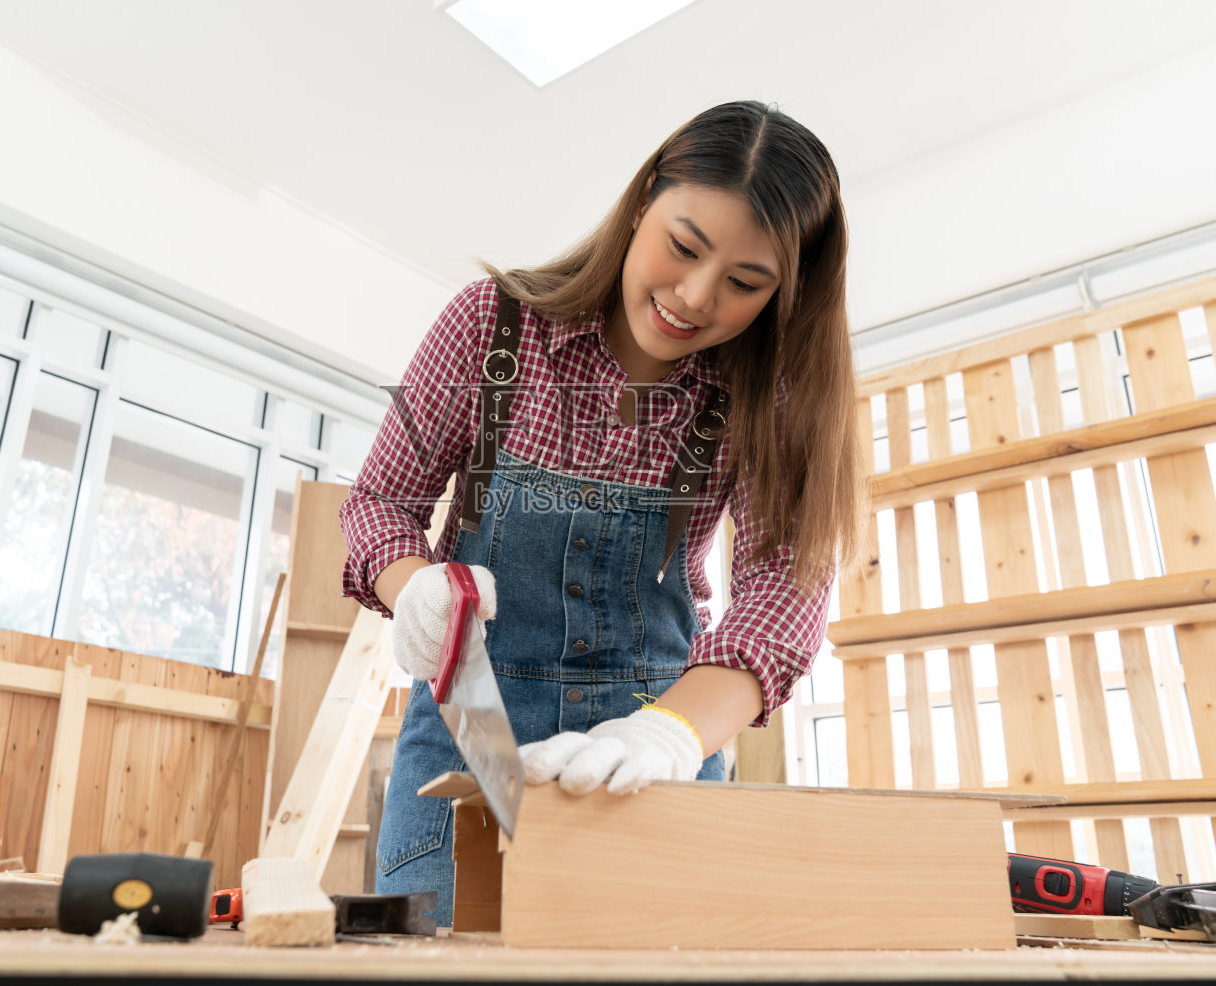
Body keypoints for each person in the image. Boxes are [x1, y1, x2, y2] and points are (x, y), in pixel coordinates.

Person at [339, 100, 864, 926]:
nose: (694, 297)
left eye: (744, 283)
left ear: (784, 291)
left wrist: (671, 737)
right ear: (645, 196)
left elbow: (781, 600)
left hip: (651, 743)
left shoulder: (770, 397)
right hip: (469, 738)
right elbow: (380, 502)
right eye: (683, 247)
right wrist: (417, 590)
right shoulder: (492, 328)